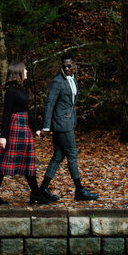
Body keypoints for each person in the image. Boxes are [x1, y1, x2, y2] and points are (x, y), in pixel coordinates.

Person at [0, 62, 55, 205]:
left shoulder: (21, 90)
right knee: (3, 163)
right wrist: (3, 136)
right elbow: (6, 114)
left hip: (24, 128)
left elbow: (27, 111)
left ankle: (35, 194)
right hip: (14, 128)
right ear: (18, 72)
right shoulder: (11, 92)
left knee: (28, 163)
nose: (26, 71)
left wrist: (36, 130)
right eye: (24, 69)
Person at [40, 54, 99, 201]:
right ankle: (79, 190)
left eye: (69, 66)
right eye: (64, 66)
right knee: (72, 154)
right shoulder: (57, 82)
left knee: (58, 156)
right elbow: (49, 104)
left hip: (68, 122)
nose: (66, 68)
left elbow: (71, 103)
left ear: (75, 65)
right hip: (61, 124)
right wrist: (46, 127)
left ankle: (42, 189)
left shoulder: (73, 80)